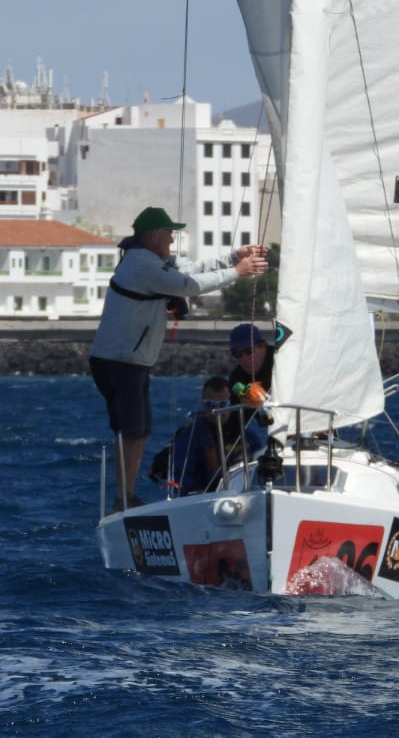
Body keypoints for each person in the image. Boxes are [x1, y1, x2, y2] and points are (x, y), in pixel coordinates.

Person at [90, 206, 267, 511]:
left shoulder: (151, 260)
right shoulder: (142, 266)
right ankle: (123, 499)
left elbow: (192, 269)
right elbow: (189, 285)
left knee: (138, 430)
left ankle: (126, 496)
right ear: (155, 236)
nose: (172, 240)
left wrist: (234, 256)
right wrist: (238, 272)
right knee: (132, 431)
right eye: (170, 233)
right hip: (120, 362)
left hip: (128, 361)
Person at [155, 376, 268, 495]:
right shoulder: (190, 437)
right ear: (203, 403)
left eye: (223, 404)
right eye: (210, 404)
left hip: (242, 494)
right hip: (204, 497)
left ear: (231, 403)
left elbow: (258, 465)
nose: (217, 410)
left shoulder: (247, 435)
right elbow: (180, 476)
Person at [227, 322, 275, 409]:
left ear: (263, 346)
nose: (244, 358)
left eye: (249, 351)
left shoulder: (280, 361)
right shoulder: (236, 378)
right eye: (237, 354)